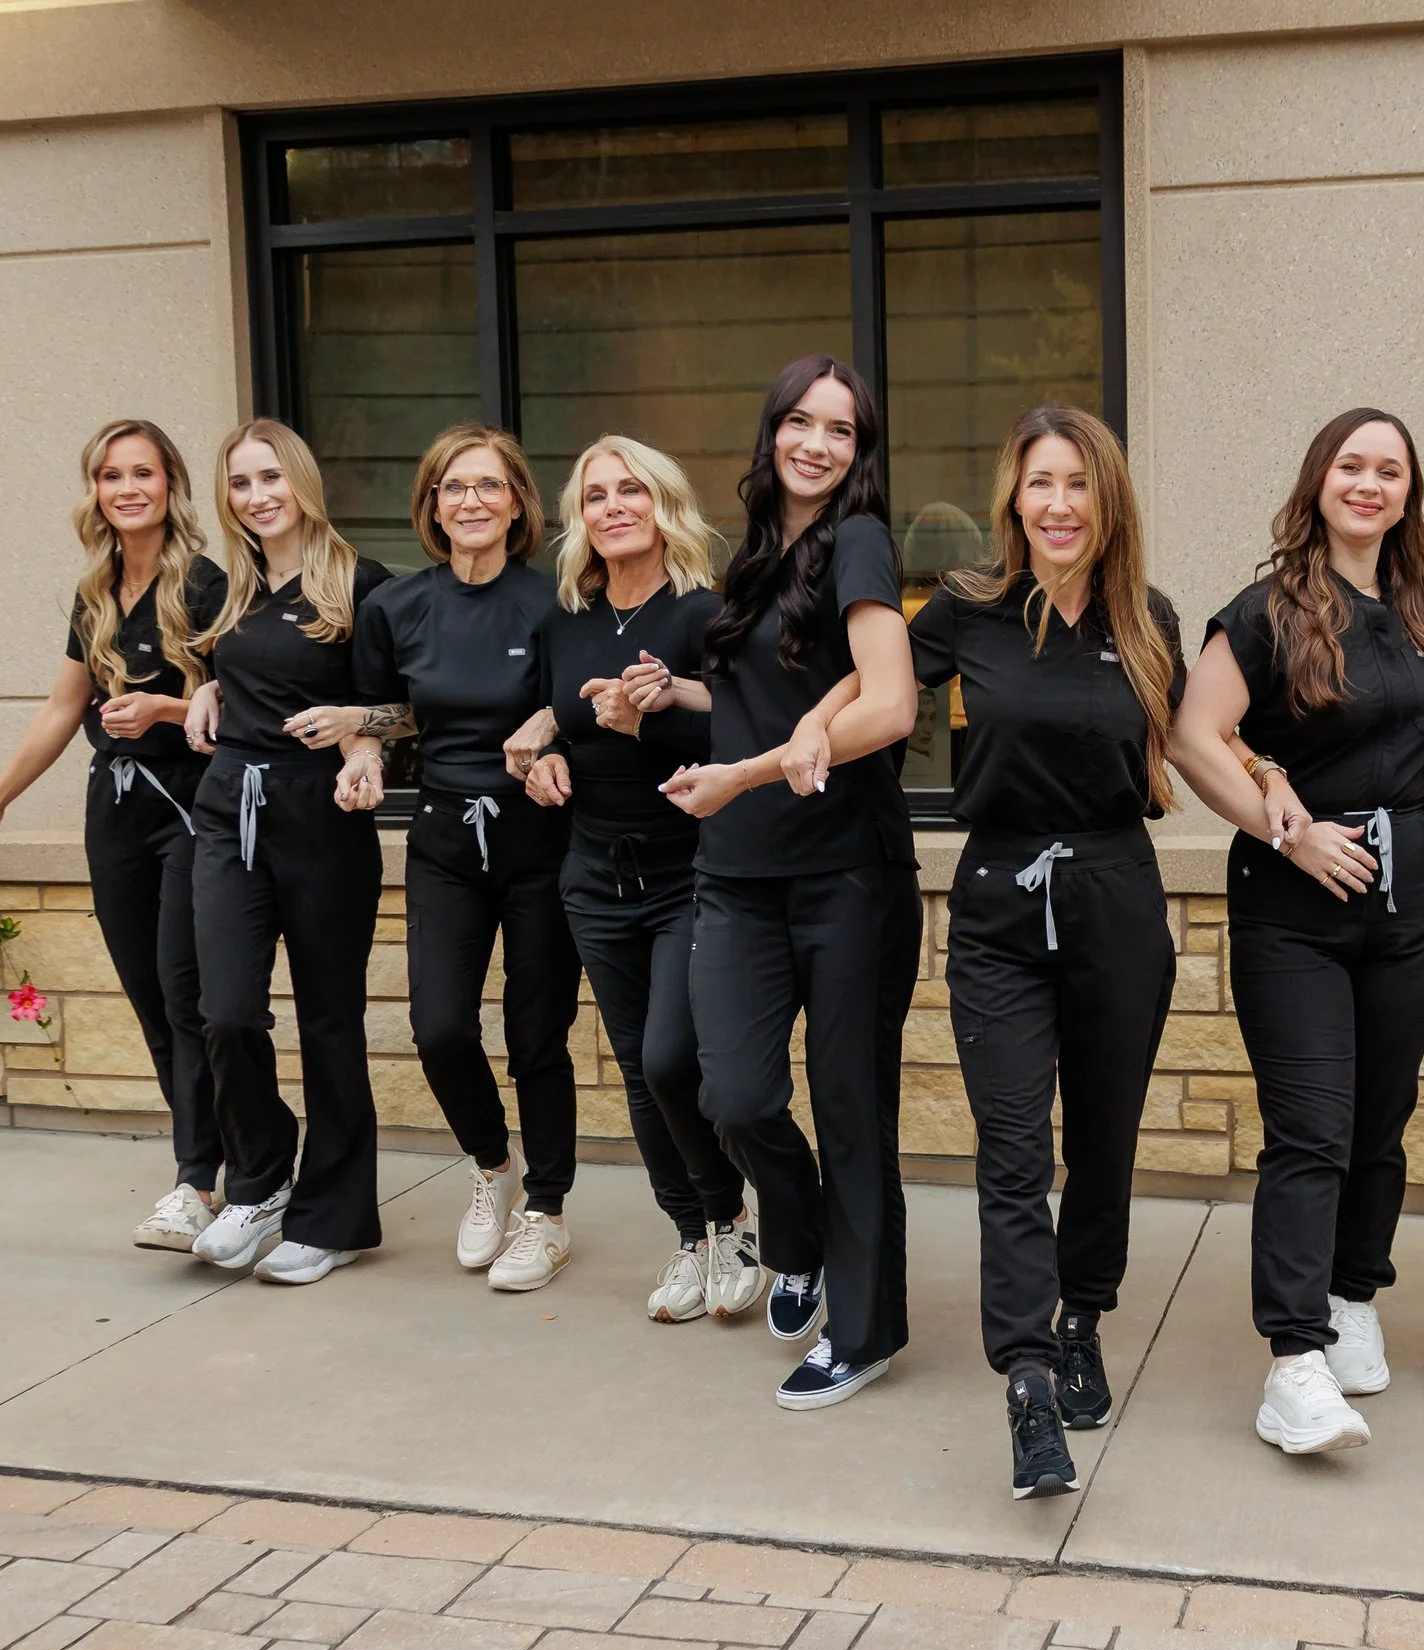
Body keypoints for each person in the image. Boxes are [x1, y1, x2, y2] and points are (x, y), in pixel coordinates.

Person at [1172, 408, 1424, 1457]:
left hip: (1416, 908)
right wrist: (1282, 830)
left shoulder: (1423, 606)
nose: (1369, 484)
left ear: (1408, 494)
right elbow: (1193, 735)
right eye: (1352, 465)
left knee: (1381, 1120)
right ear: (1318, 480)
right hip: (1296, 911)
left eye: (1390, 470)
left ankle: (1352, 1296)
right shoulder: (1266, 610)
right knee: (1311, 1128)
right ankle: (1293, 1358)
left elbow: (1423, 721)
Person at [908, 405, 1183, 1499]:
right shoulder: (967, 607)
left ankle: (1082, 1318)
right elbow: (863, 693)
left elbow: (1214, 737)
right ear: (1013, 499)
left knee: (1103, 1141)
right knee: (1014, 1150)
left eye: (1078, 483)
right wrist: (719, 716)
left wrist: (1290, 800)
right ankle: (1025, 1377)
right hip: (1000, 903)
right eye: (1040, 483)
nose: (1059, 504)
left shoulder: (1148, 618)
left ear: (1107, 499)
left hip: (1117, 896)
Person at [664, 356, 921, 1411]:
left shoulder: (858, 540)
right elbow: (770, 693)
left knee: (850, 1107)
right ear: (771, 430)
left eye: (841, 430)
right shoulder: (757, 553)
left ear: (861, 452)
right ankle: (802, 1236)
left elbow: (892, 704)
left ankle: (862, 1331)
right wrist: (669, 695)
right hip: (737, 874)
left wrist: (749, 772)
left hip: (845, 874)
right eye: (801, 422)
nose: (817, 444)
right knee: (729, 1091)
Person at [507, 434, 766, 1325]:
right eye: (596, 495)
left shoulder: (704, 615)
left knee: (670, 1058)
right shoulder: (564, 622)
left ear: (663, 505)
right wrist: (540, 757)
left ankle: (731, 1218)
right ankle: (691, 1234)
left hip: (689, 873)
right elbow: (555, 724)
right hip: (593, 877)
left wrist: (645, 720)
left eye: (631, 490)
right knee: (638, 1069)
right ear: (579, 518)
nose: (613, 506)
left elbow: (739, 733)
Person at [0, 419, 225, 1252]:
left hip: (189, 805)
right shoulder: (96, 592)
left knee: (186, 991)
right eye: (111, 475)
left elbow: (242, 707)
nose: (127, 488)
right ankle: (221, 1164)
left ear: (171, 484)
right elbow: (62, 707)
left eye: (143, 472)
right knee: (150, 997)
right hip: (116, 810)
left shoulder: (206, 585)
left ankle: (197, 1179)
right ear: (95, 491)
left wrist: (166, 708)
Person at [350, 424, 583, 1292]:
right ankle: (492, 1164)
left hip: (539, 835)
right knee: (440, 1026)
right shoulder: (396, 608)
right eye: (454, 486)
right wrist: (361, 749)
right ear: (433, 505)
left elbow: (579, 708)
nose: (472, 501)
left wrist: (553, 741)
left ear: (518, 503)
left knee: (536, 1033)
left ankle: (547, 1210)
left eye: (489, 485)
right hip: (444, 838)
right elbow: (386, 711)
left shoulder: (554, 604)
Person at [181, 418, 393, 1286]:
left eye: (271, 477)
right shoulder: (224, 588)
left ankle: (333, 1218)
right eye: (241, 482)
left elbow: (402, 707)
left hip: (321, 815)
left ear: (301, 480)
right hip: (230, 808)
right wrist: (202, 689)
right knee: (226, 1011)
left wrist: (363, 739)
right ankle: (261, 1182)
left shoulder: (363, 586)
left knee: (328, 1021)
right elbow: (231, 668)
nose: (258, 495)